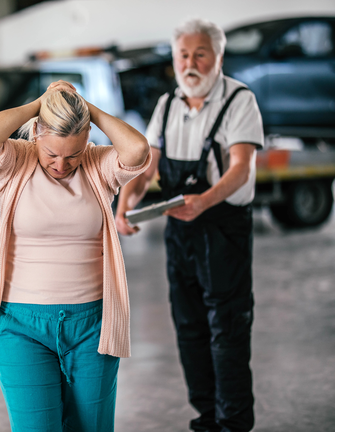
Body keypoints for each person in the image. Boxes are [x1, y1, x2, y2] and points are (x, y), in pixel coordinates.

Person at [0, 80, 151, 432]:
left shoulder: (98, 165)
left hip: (92, 327)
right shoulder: (14, 163)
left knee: (92, 428)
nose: (61, 164)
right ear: (36, 134)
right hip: (22, 328)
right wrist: (42, 102)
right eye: (52, 153)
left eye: (73, 154)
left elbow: (137, 151)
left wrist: (88, 109)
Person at [115, 18, 264, 432]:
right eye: (183, 54)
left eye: (200, 54)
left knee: (227, 328)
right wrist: (128, 199)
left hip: (223, 228)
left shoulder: (239, 101)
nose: (190, 63)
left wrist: (205, 201)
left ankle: (233, 423)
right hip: (181, 231)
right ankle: (207, 418)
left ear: (217, 56)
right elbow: (147, 168)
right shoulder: (167, 106)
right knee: (189, 327)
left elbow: (241, 169)